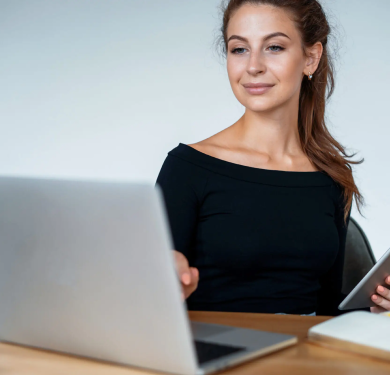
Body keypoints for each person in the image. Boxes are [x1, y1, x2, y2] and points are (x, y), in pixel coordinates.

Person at [155, 0, 390, 315]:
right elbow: (150, 301)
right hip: (215, 358)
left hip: (305, 361)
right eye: (239, 49)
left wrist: (375, 306)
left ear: (311, 58)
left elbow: (325, 311)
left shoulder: (331, 178)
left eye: (274, 47)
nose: (253, 66)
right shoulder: (187, 168)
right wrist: (161, 278)